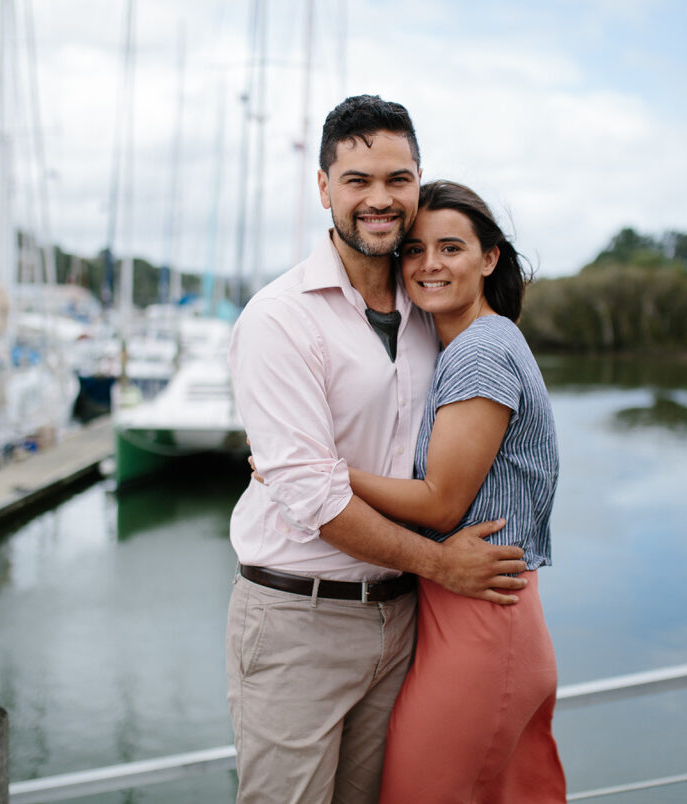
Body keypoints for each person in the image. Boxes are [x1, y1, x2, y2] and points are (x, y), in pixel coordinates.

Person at [226, 95, 528, 804]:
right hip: (299, 617)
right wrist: (440, 564)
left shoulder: (431, 306)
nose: (379, 199)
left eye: (397, 179)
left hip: (405, 618)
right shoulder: (278, 319)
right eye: (357, 180)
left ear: (416, 182)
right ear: (324, 188)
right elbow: (310, 494)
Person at [346, 179, 566, 802]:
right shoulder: (481, 342)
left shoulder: (478, 352)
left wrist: (321, 470)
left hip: (480, 624)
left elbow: (441, 501)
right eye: (414, 250)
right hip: (490, 611)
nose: (429, 265)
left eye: (450, 248)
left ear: (489, 257)